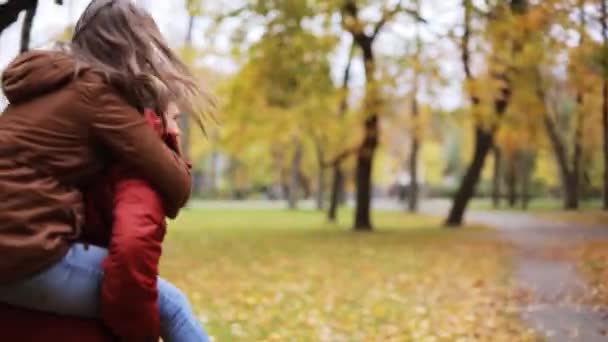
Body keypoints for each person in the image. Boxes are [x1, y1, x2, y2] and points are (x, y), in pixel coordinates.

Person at [0, 0, 212, 340]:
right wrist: (167, 131)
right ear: (130, 45)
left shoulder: (43, 90)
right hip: (22, 255)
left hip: (13, 252)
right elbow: (176, 184)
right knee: (171, 305)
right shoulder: (95, 95)